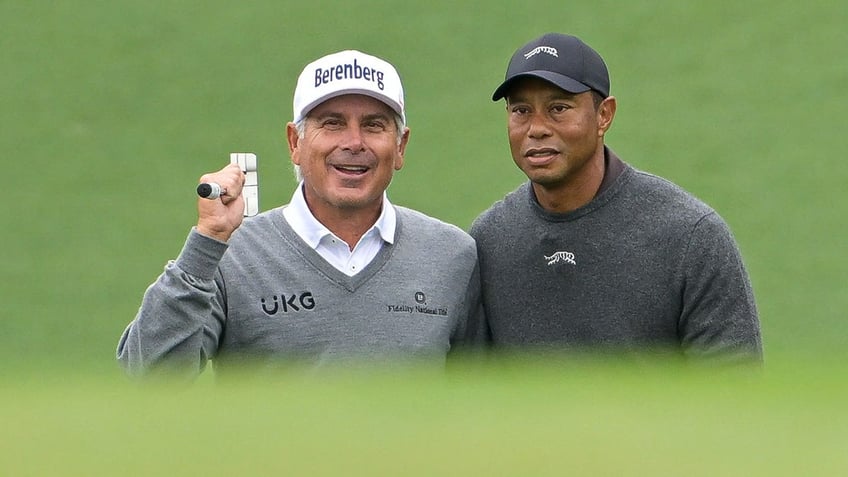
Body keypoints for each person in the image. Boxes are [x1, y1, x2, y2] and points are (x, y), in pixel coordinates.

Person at [117, 50, 484, 378]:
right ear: (295, 143)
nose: (354, 142)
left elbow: (480, 403)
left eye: (374, 125)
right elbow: (148, 377)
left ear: (400, 146)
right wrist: (206, 243)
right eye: (332, 123)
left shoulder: (450, 255)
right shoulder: (231, 255)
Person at [470, 33, 763, 363]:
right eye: (521, 110)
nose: (536, 128)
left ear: (604, 115)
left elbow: (732, 388)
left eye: (558, 108)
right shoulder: (489, 239)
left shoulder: (691, 235)